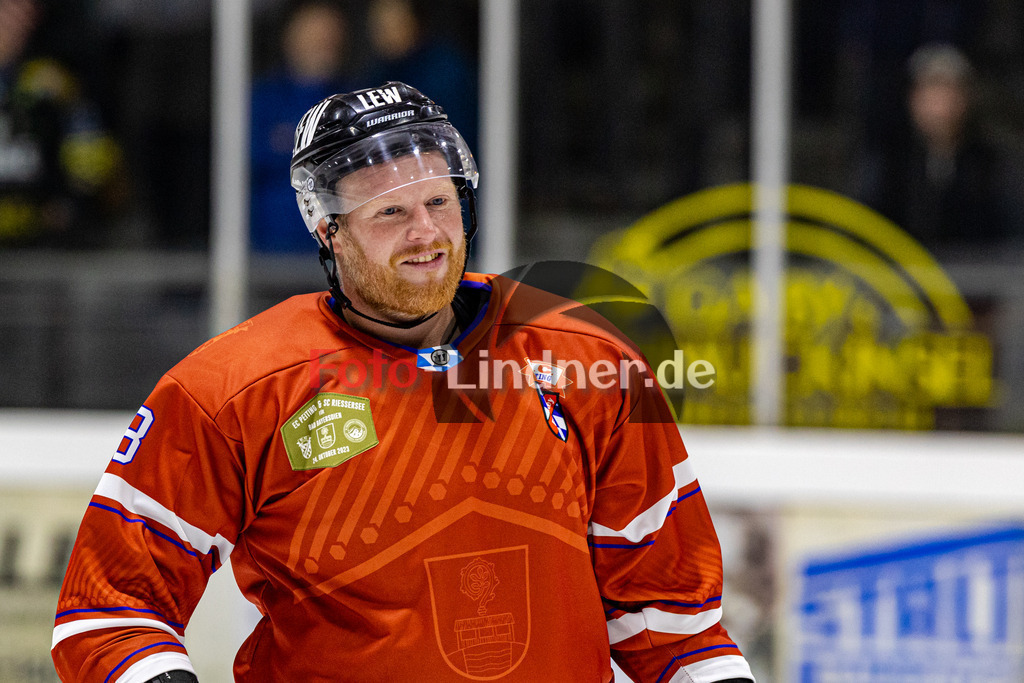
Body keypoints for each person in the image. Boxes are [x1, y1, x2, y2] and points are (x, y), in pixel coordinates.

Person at [52, 82, 754, 682]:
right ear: (328, 230)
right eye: (389, 211)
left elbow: (676, 627)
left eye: (439, 203)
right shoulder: (234, 388)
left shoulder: (585, 357)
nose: (426, 234)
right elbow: (109, 613)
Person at [854, 43, 1023, 252]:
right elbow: (866, 232)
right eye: (931, 90)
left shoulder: (992, 164)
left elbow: (1009, 236)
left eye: (948, 90)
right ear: (914, 98)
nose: (939, 104)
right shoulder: (889, 162)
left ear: (965, 98)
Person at [0, 0, 124, 247]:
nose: (18, 22)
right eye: (8, 12)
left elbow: (92, 154)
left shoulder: (51, 79)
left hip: (39, 232)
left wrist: (71, 203)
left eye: (26, 13)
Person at [250, 0, 359, 252]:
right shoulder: (264, 98)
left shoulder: (354, 101)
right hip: (271, 251)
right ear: (291, 35)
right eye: (314, 32)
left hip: (339, 253)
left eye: (329, 34)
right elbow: (247, 158)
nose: (323, 42)